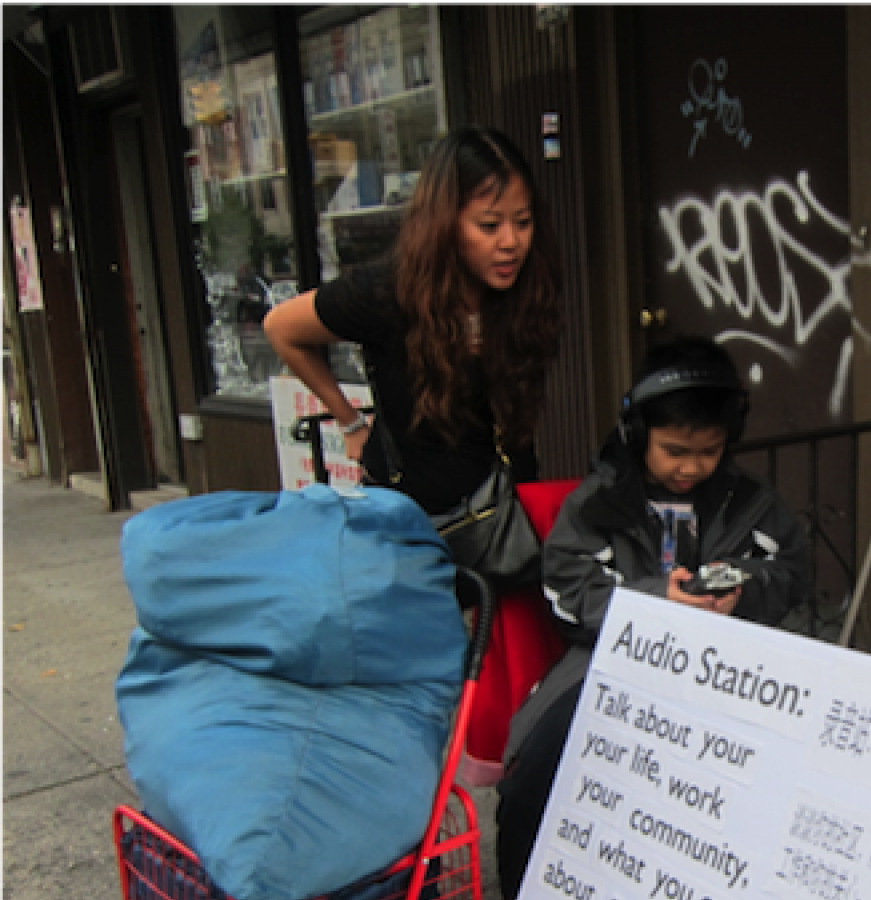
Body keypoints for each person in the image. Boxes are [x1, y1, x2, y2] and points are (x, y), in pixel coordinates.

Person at [494, 336, 814, 895]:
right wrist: (652, 599)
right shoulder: (598, 503)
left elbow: (792, 571)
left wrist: (744, 590)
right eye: (673, 450)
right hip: (608, 666)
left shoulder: (752, 502)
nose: (692, 466)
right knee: (534, 786)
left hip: (727, 673)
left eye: (710, 450)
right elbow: (566, 586)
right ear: (638, 434)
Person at [263, 126, 562, 515]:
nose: (510, 242)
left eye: (523, 222)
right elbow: (281, 328)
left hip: (503, 515)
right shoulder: (387, 290)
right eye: (489, 226)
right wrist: (349, 421)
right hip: (409, 523)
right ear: (445, 224)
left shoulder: (525, 287)